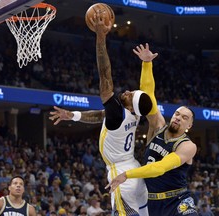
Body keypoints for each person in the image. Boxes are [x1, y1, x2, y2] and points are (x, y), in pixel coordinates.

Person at [50, 11, 158, 216]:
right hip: (134, 169)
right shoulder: (131, 115)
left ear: (128, 105)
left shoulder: (118, 112)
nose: (126, 91)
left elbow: (104, 73)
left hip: (121, 174)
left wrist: (101, 36)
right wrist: (72, 115)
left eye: (129, 94)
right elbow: (101, 116)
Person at [105, 48, 198, 215]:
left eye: (184, 118)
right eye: (177, 113)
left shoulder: (188, 146)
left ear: (189, 126)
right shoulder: (157, 127)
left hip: (178, 201)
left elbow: (160, 168)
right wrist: (147, 64)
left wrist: (127, 174)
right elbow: (148, 97)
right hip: (153, 202)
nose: (178, 118)